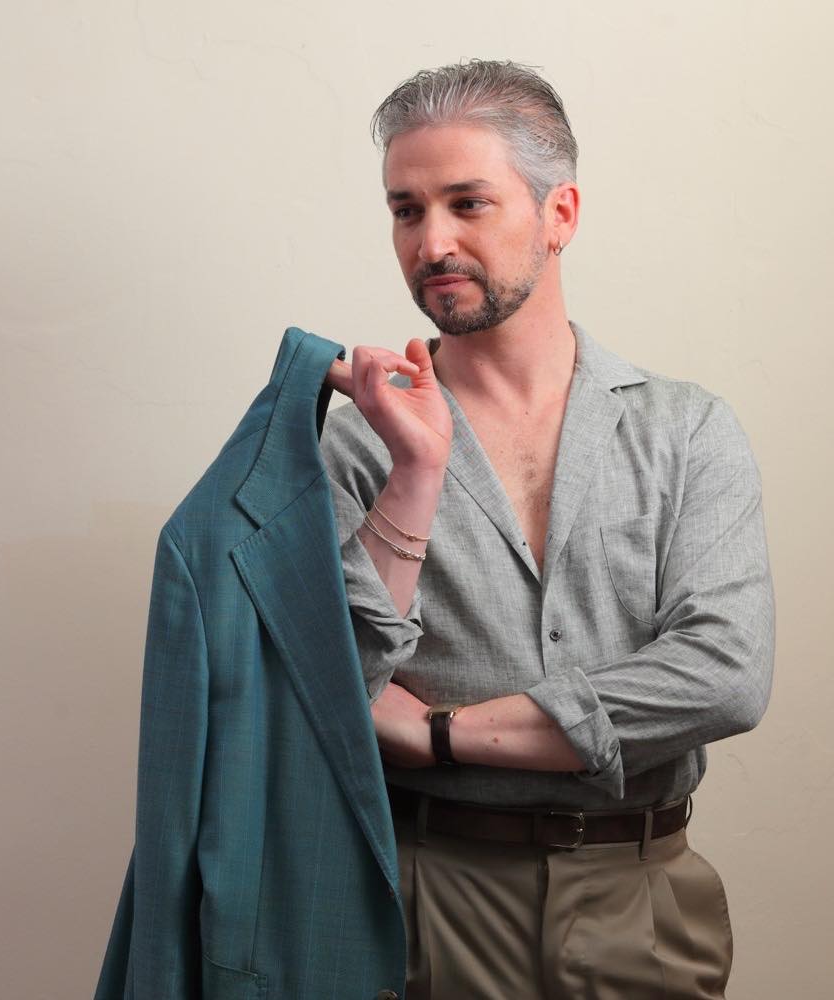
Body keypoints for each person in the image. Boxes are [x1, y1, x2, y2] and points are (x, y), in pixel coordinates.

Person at [320, 59, 775, 1000]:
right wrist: (415, 475)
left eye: (467, 204)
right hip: (423, 894)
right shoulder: (359, 442)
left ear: (559, 214)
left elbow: (725, 676)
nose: (431, 242)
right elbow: (331, 692)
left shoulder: (686, 430)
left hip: (643, 899)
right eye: (406, 210)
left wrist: (442, 735)